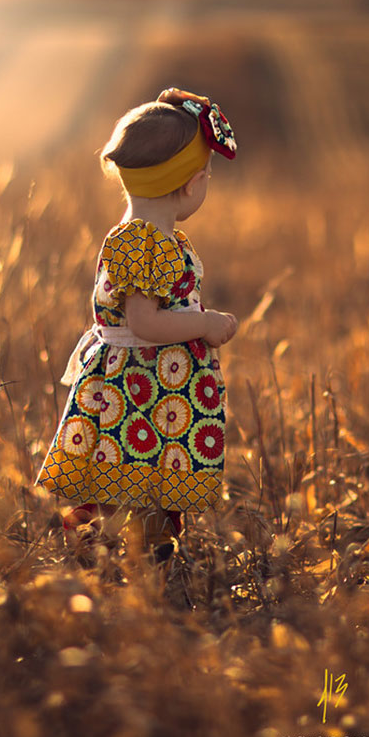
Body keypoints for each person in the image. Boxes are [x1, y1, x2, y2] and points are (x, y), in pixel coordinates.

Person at [35, 87, 238, 569]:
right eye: (206, 173)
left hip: (153, 383)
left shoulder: (152, 237)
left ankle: (137, 550)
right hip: (138, 387)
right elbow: (144, 322)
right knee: (133, 466)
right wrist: (204, 323)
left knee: (141, 469)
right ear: (190, 184)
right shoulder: (141, 242)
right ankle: (123, 553)